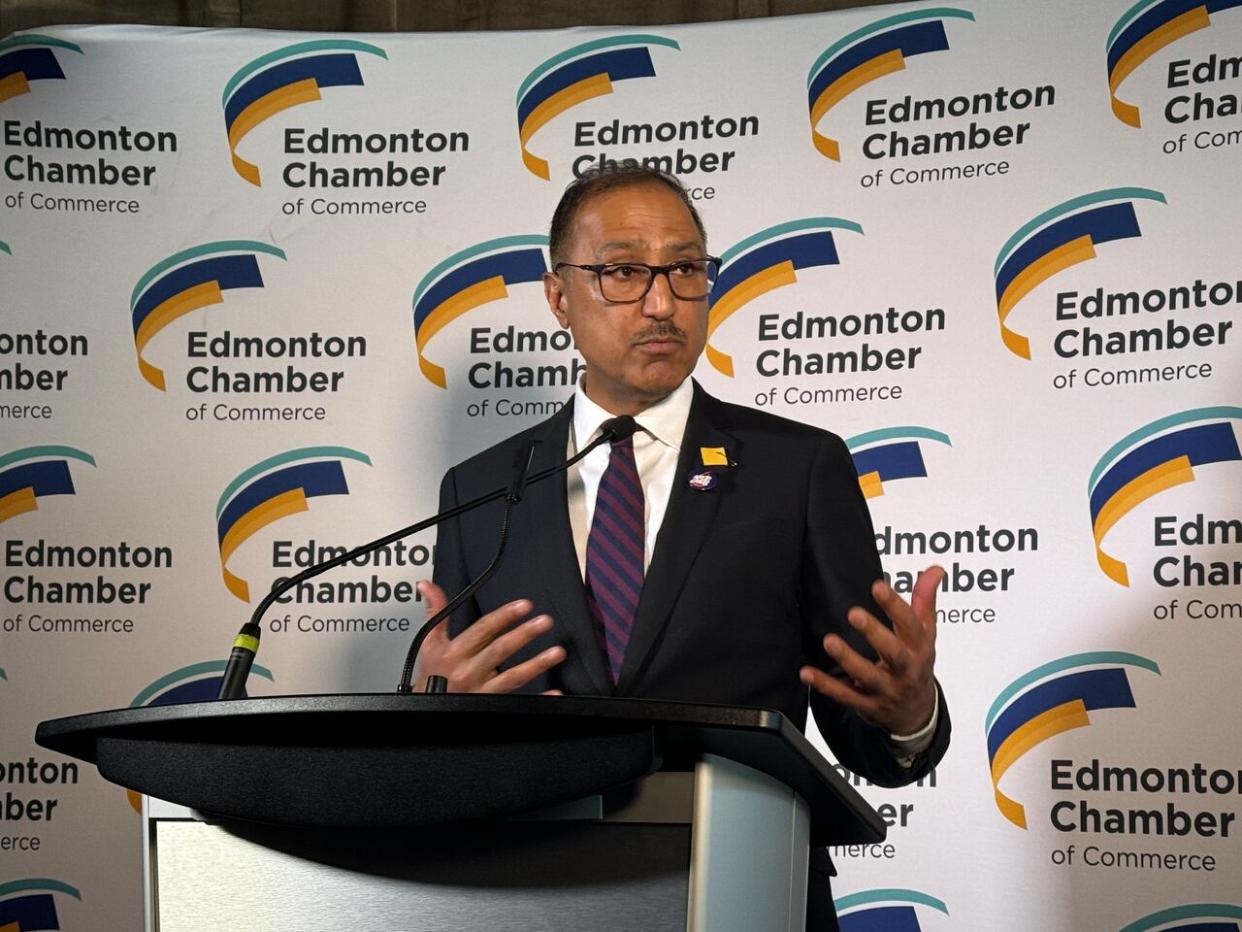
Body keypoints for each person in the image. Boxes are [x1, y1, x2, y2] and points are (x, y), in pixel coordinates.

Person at [418, 164, 950, 929]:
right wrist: (433, 709)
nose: (663, 303)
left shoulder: (797, 468)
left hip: (745, 883)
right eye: (625, 271)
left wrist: (909, 714)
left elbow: (866, 728)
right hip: (533, 890)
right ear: (559, 296)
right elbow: (455, 737)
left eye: (687, 269)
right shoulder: (479, 488)